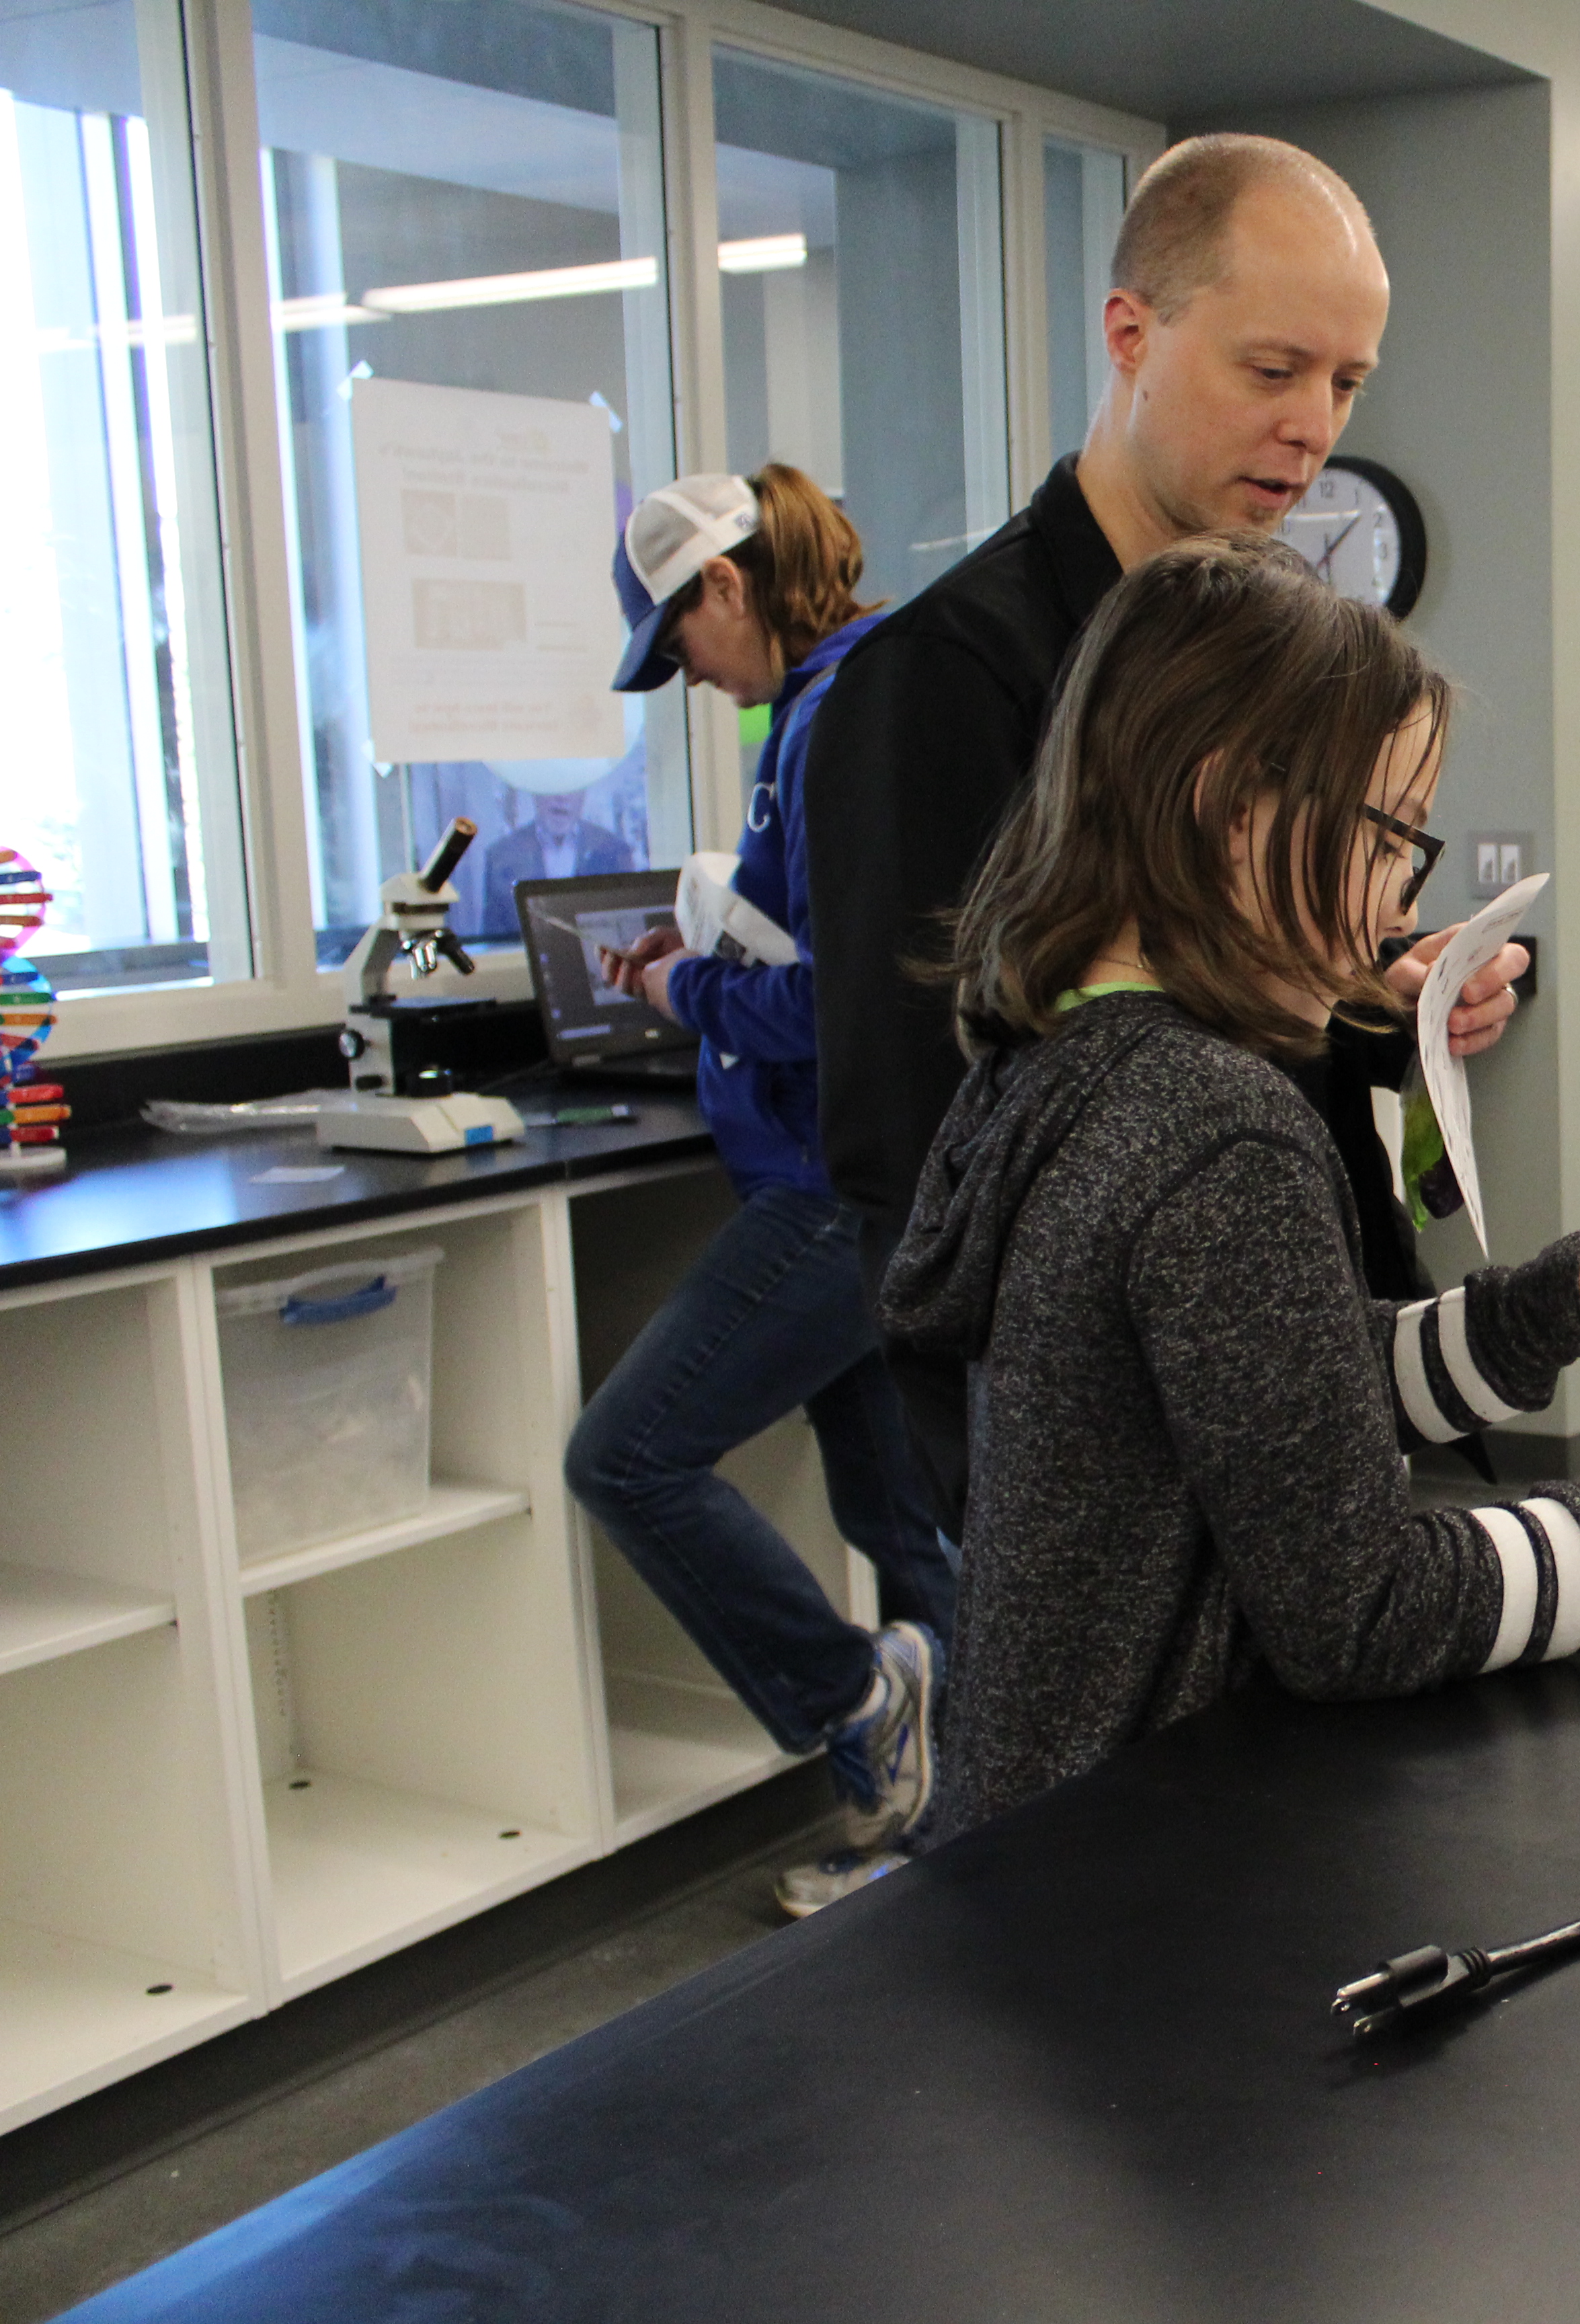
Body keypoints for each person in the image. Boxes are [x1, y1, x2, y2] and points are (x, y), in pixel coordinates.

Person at [882, 534, 1580, 1840]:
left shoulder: (1059, 1062)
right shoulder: (1212, 1126)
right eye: (1383, 842)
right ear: (1230, 806)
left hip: (1036, 1830)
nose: (1386, 909)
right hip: (1135, 1876)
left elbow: (1273, 1390)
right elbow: (1360, 1613)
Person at [807, 133, 1524, 1534]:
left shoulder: (1283, 660)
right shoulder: (948, 679)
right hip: (1102, 1464)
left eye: (1347, 383)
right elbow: (916, 1142)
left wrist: (1378, 999)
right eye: (1274, 371)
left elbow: (1238, 998)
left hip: (1307, 1372)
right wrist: (1008, 1496)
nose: (1315, 425)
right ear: (1131, 334)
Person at [565, 467, 951, 1916]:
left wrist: (696, 990)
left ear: (725, 586)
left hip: (830, 1186)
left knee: (626, 1458)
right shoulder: (824, 711)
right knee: (897, 1520)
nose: (688, 678)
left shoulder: (843, 714)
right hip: (863, 1173)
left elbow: (857, 1000)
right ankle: (961, 1833)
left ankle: (854, 1706)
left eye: (681, 647)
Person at [477, 785, 637, 938]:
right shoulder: (500, 855)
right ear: (535, 793)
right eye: (552, 787)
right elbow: (494, 933)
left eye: (571, 787)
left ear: (583, 794)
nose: (561, 797)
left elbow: (630, 930)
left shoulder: (614, 850)